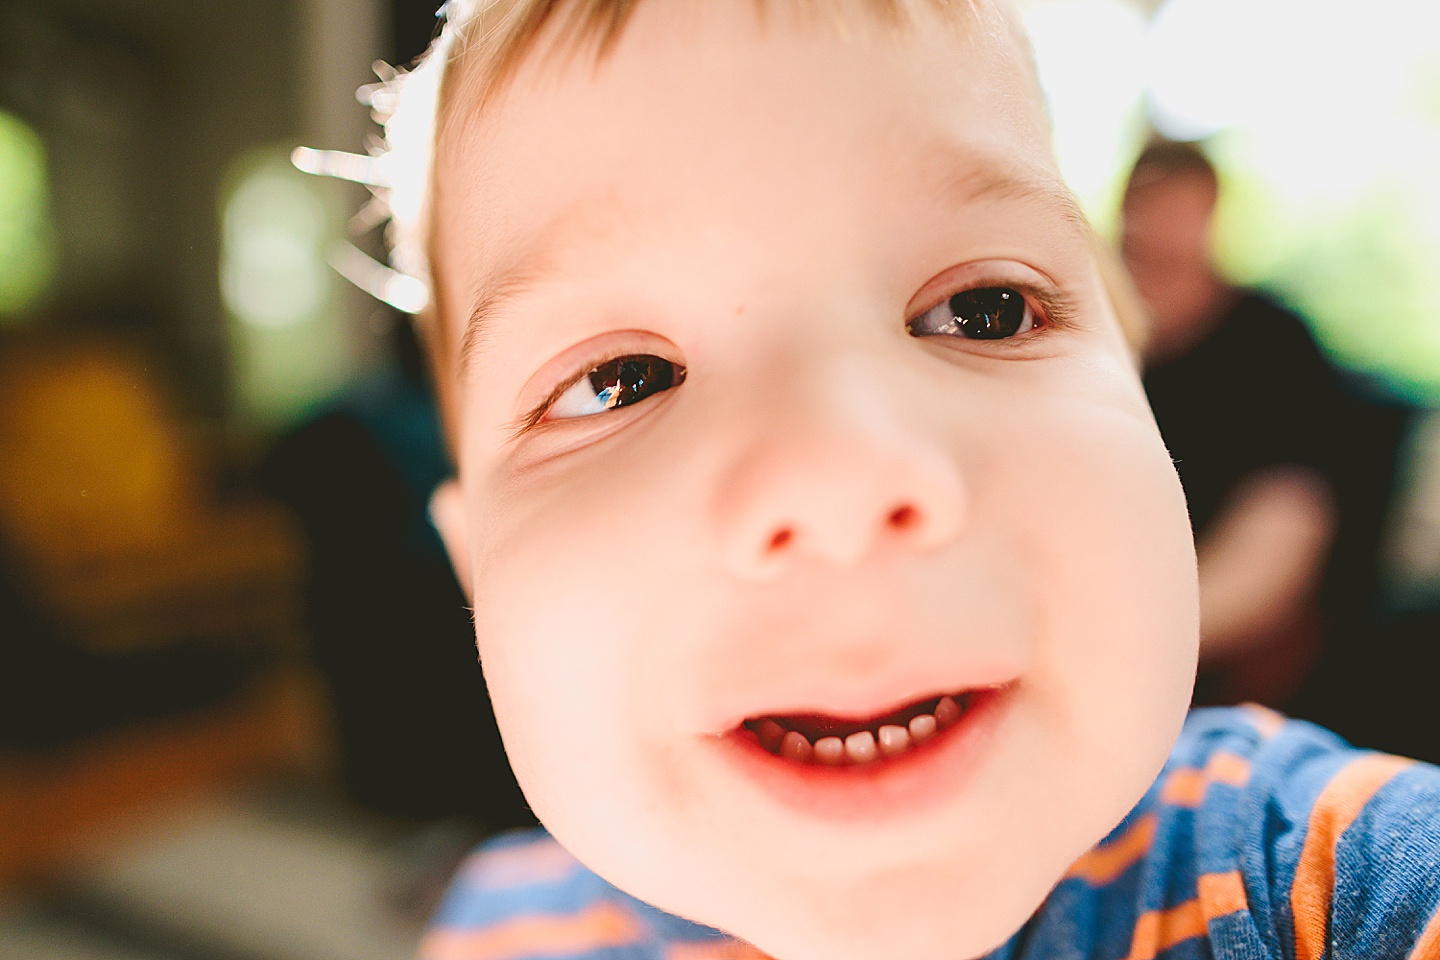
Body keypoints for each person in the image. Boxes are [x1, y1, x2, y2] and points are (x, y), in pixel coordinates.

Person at [304, 2, 1440, 958]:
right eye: (619, 380)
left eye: (982, 312)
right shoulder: (495, 934)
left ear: (1142, 398)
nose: (837, 477)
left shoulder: (1319, 876)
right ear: (472, 568)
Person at [1125, 141, 1412, 713]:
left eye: (1178, 212)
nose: (1159, 233)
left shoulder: (1272, 345)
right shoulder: (1084, 333)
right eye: (1147, 209)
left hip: (1223, 655)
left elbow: (1281, 537)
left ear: (1212, 218)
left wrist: (1134, 640)